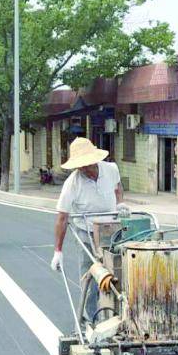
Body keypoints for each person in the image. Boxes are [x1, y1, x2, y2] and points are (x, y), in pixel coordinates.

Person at [50, 137, 125, 321]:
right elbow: (62, 217)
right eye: (80, 166)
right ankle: (89, 320)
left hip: (112, 230)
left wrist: (121, 203)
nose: (83, 169)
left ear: (94, 159)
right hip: (86, 232)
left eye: (86, 165)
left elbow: (117, 188)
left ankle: (118, 316)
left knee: (118, 274)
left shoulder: (111, 169)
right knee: (90, 277)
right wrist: (58, 251)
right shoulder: (72, 183)